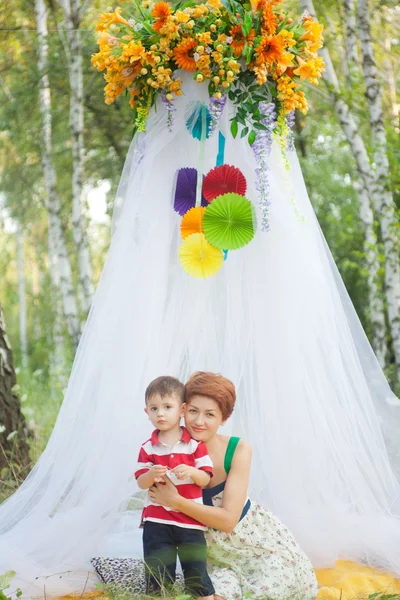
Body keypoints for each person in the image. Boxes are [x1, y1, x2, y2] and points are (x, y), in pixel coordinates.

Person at [149, 372, 319, 600]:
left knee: (267, 589)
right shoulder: (168, 448)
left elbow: (228, 520)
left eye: (210, 414)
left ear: (224, 419)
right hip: (214, 556)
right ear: (182, 409)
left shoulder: (238, 449)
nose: (199, 422)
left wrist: (176, 501)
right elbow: (158, 500)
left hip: (254, 546)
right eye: (193, 411)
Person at [135, 375, 215, 599]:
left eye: (167, 407)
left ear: (181, 410)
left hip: (190, 521)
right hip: (157, 520)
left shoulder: (194, 445)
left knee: (195, 569)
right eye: (154, 408)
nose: (160, 413)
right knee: (157, 571)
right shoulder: (148, 447)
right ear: (147, 412)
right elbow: (141, 482)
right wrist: (151, 474)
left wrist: (191, 472)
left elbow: (205, 479)